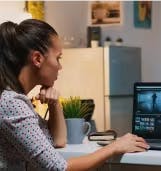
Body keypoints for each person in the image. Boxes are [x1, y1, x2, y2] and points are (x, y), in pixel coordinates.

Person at [0, 19, 149, 171]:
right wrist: (114, 147)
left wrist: (54, 104)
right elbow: (58, 168)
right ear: (37, 59)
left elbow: (58, 140)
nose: (60, 67)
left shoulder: (17, 101)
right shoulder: (12, 103)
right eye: (58, 58)